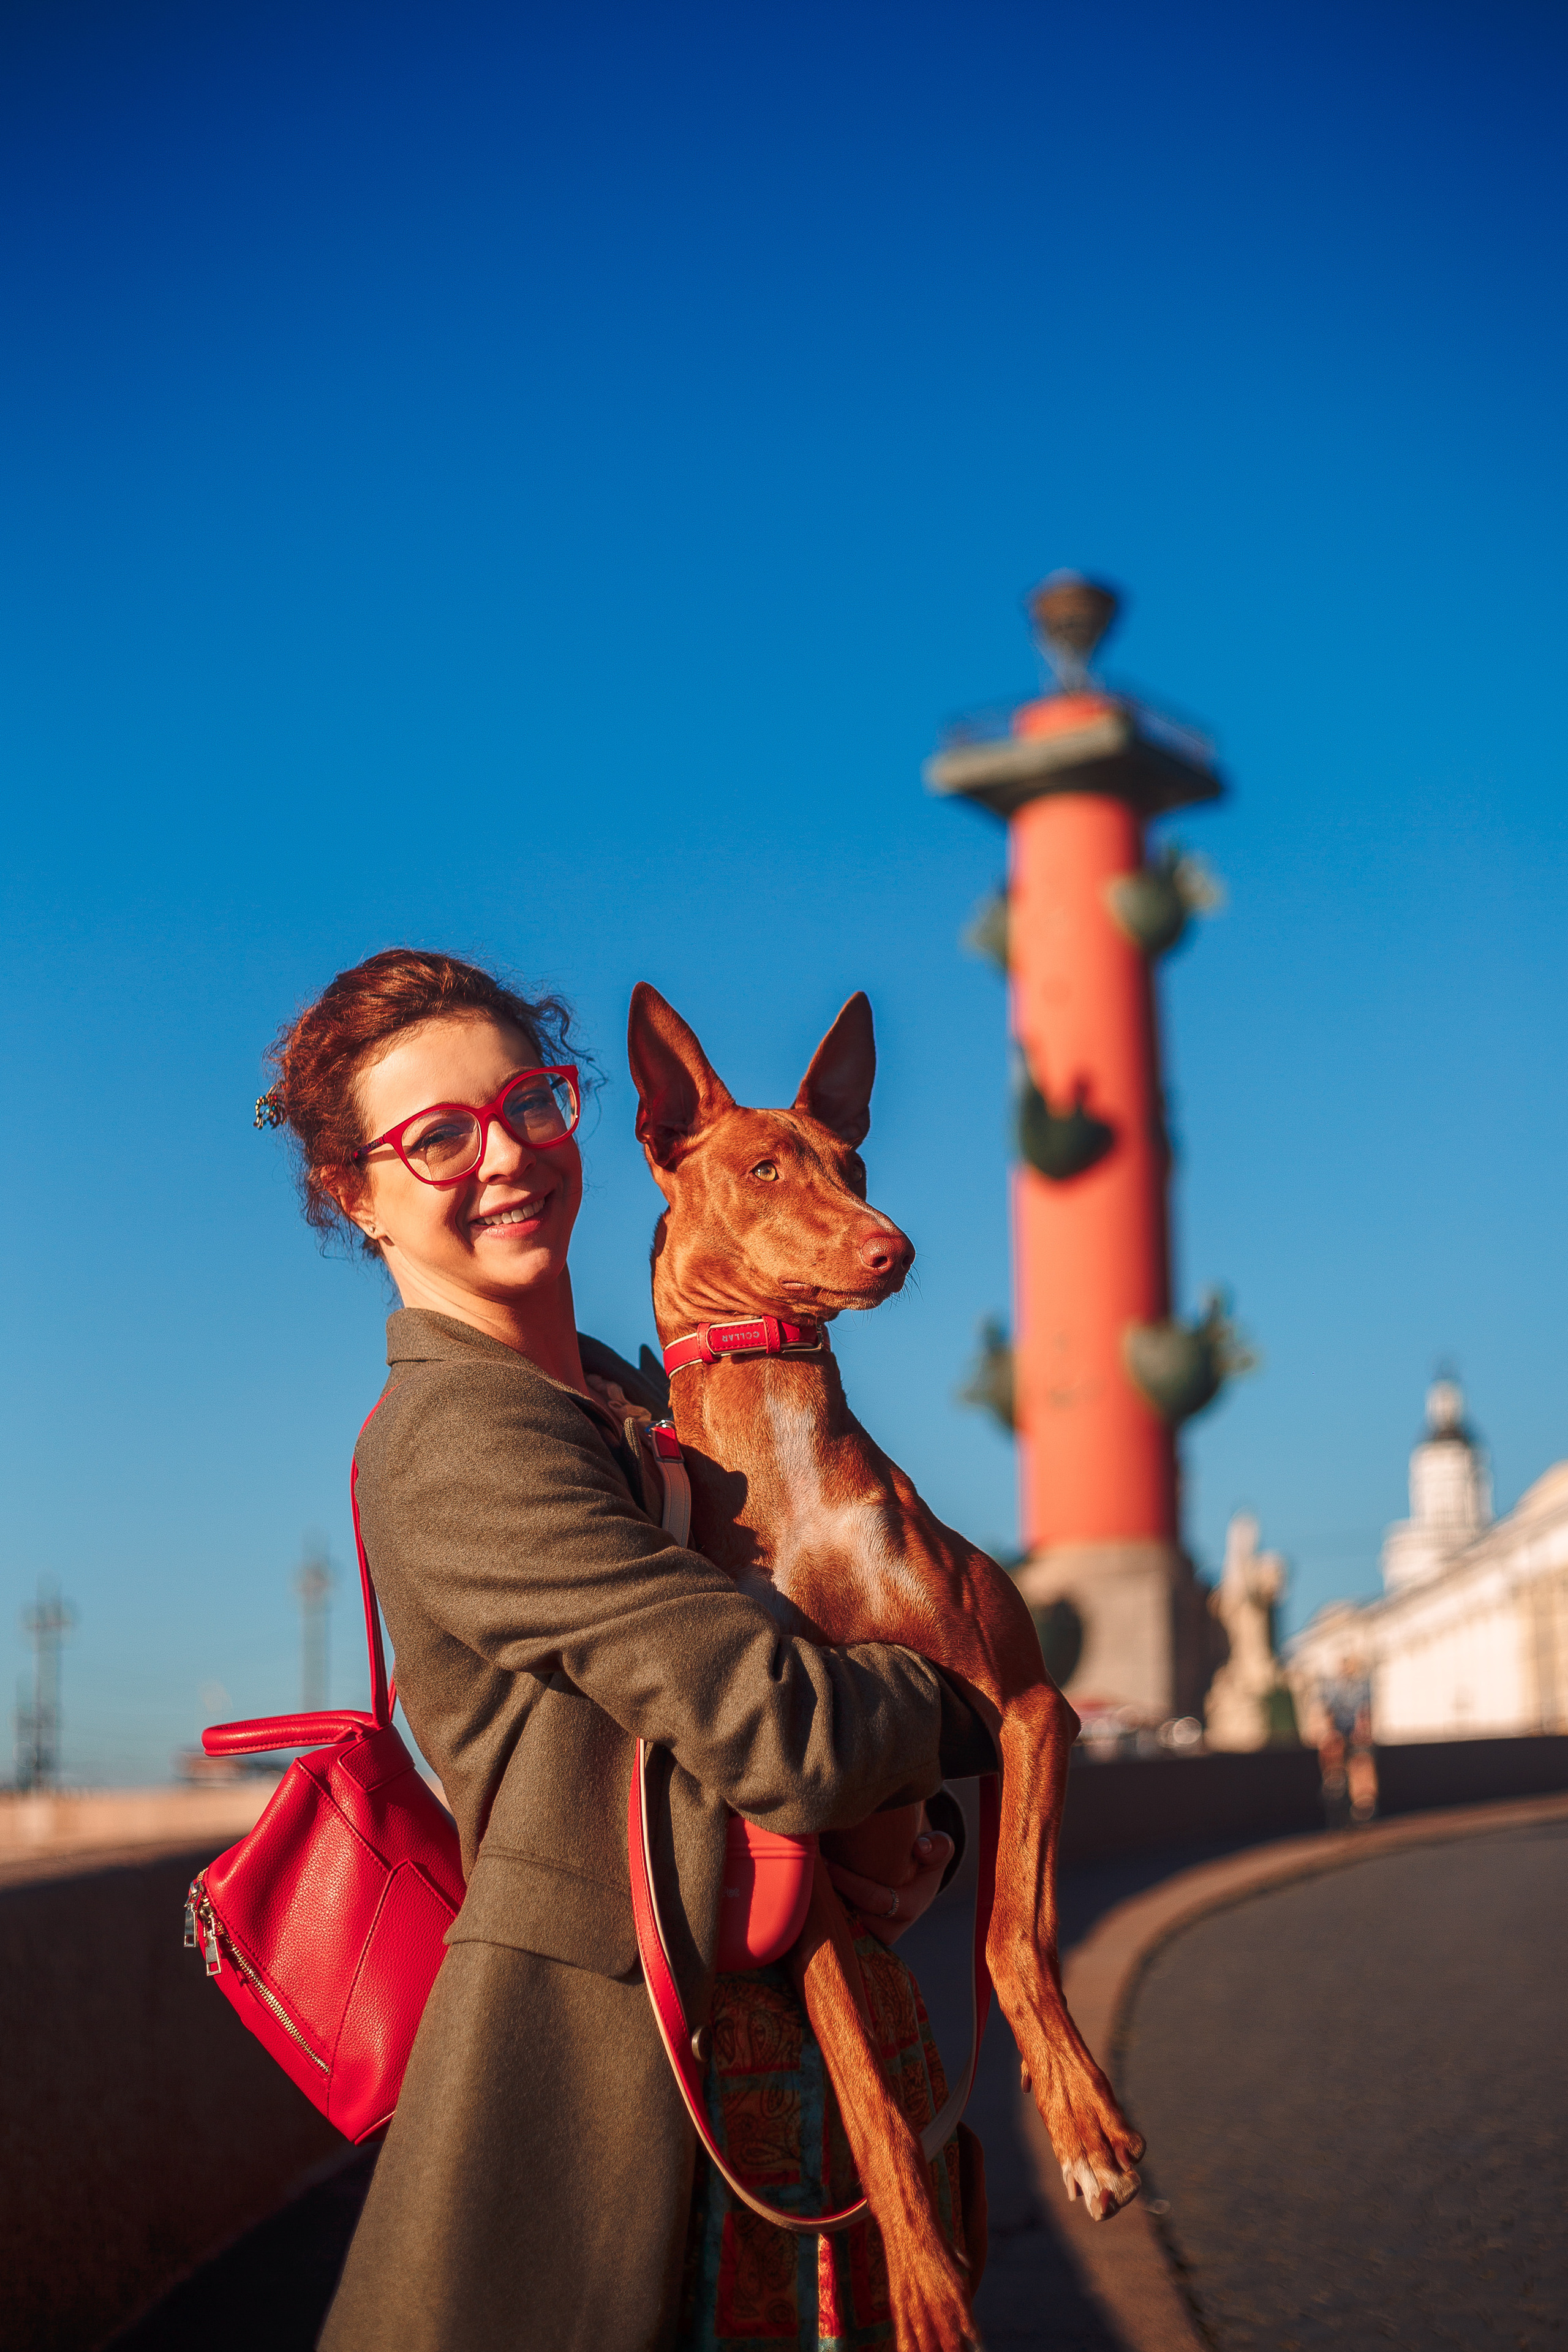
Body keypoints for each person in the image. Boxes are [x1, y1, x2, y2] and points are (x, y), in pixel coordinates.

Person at [255, 948, 993, 2352]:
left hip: (793, 2070)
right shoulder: (456, 1441)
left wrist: (905, 1846)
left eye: (530, 1100)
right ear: (356, 1195)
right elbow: (785, 1728)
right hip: (623, 2097)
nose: (506, 1156)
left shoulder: (633, 1396)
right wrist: (972, 1699)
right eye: (435, 1137)